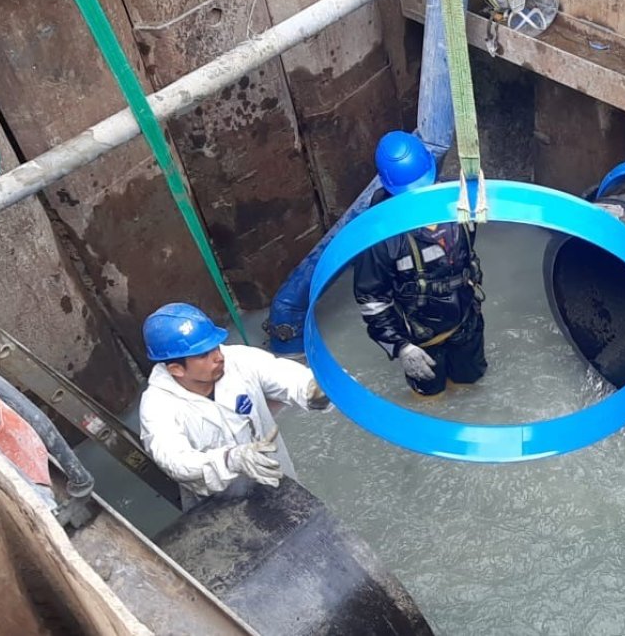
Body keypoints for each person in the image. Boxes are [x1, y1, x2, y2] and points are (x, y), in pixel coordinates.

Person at [139, 302, 328, 509]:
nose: (219, 357)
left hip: (279, 479)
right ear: (176, 369)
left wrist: (314, 389)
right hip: (223, 510)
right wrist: (231, 459)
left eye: (215, 346)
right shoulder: (157, 407)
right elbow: (175, 460)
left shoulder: (237, 359)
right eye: (203, 355)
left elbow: (283, 374)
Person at [352, 130, 487, 396]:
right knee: (430, 400)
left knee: (471, 389)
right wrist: (401, 347)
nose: (421, 197)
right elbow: (371, 300)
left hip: (467, 323)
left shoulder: (458, 201)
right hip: (422, 341)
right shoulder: (380, 236)